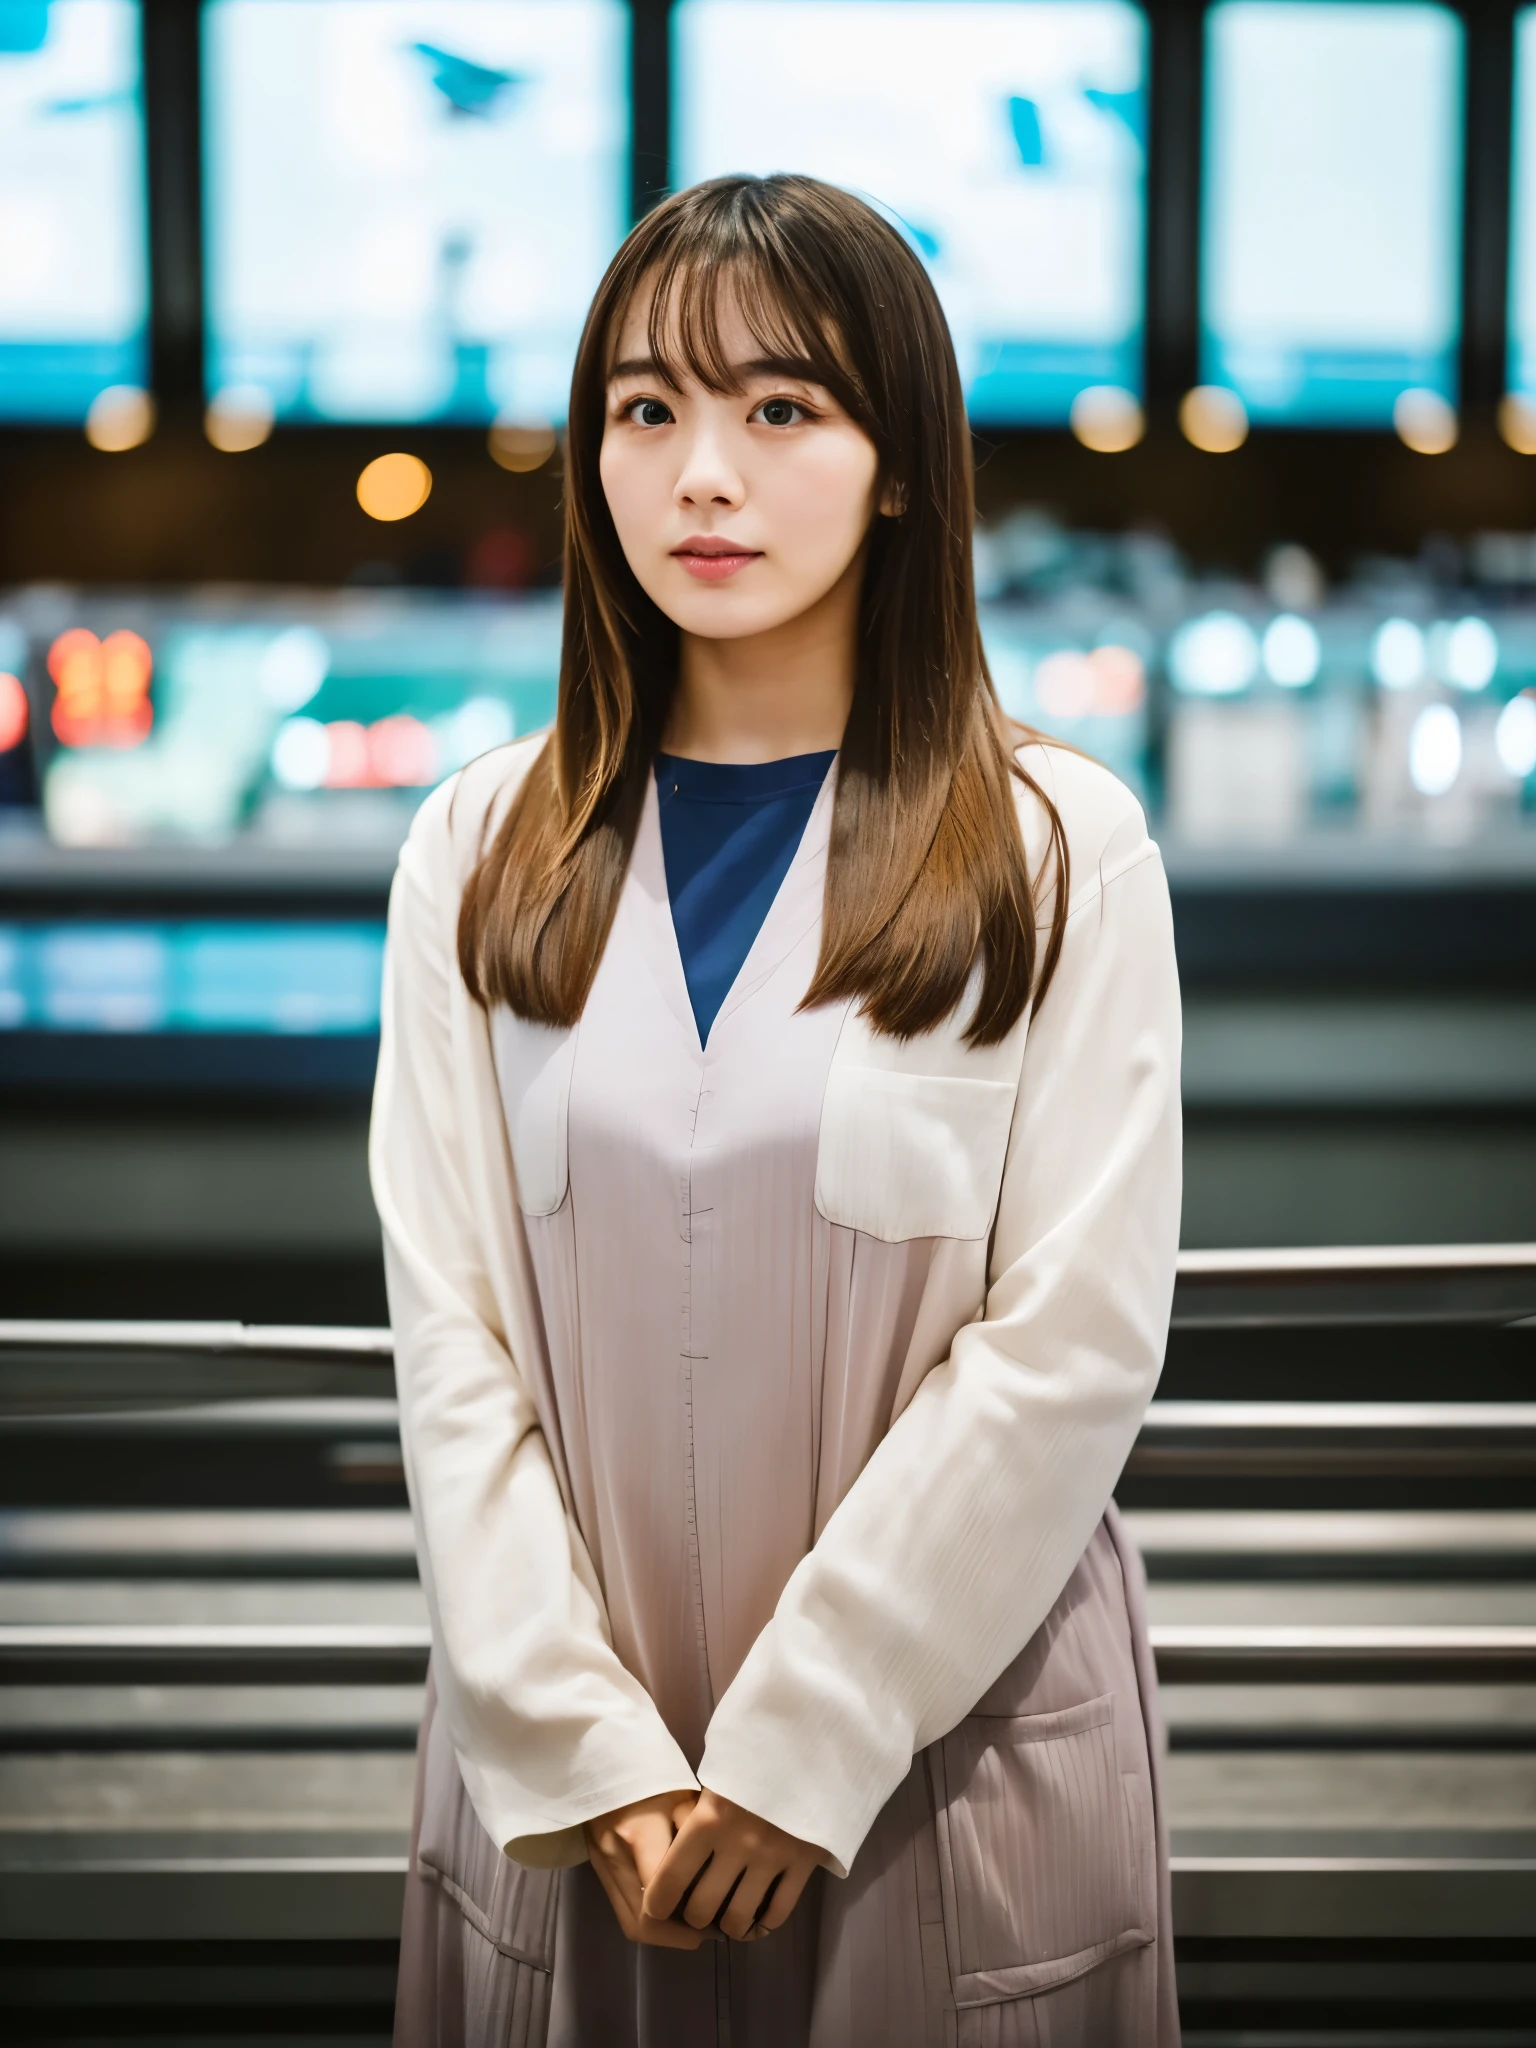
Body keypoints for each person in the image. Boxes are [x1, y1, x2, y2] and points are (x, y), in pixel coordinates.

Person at [372, 174, 1182, 2048]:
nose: (700, 475)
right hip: (579, 1800)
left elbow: (1068, 1344)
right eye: (647, 410)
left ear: (902, 463)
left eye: (780, 408)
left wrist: (805, 1740)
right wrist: (584, 1748)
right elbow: (453, 1340)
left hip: (944, 1769)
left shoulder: (1061, 850)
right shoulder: (484, 850)